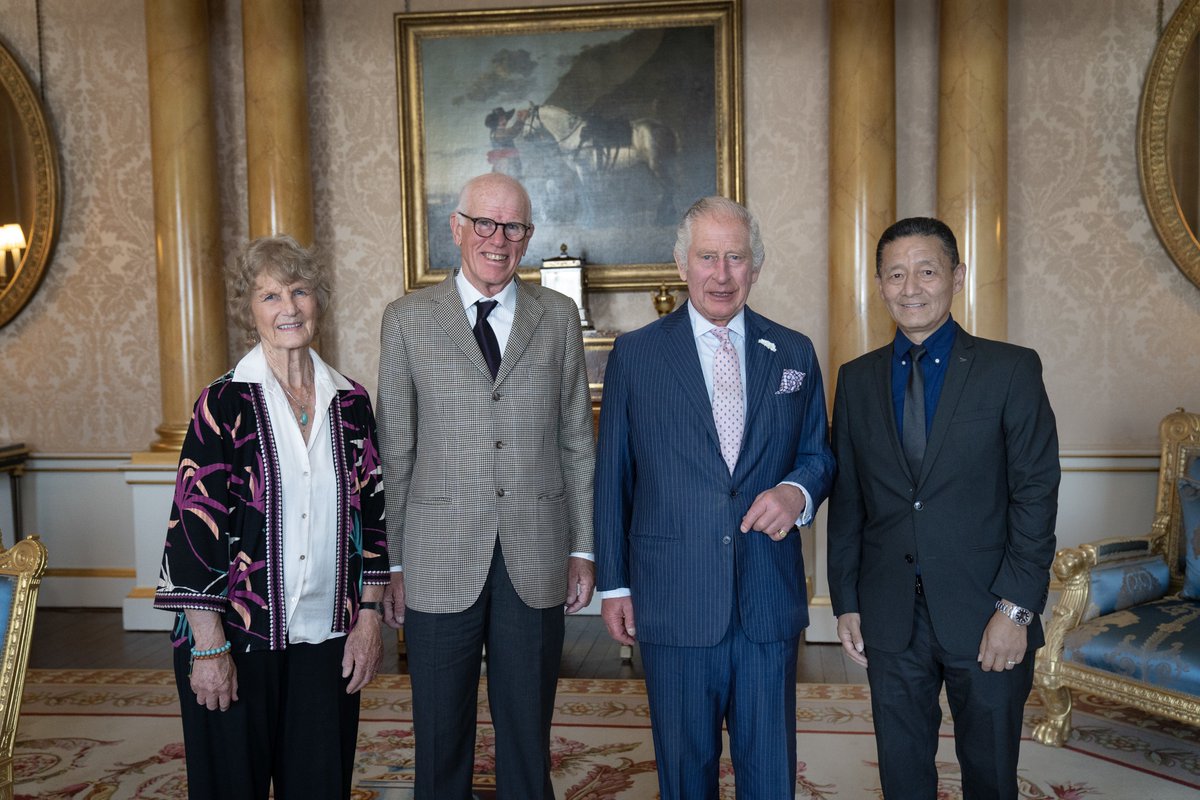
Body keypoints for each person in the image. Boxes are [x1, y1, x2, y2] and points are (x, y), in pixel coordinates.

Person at [594, 196, 836, 798]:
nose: (721, 274)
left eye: (736, 258)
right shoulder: (636, 355)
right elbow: (613, 477)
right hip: (673, 600)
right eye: (708, 257)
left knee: (770, 773)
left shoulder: (795, 353)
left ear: (755, 267)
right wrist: (615, 585)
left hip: (764, 599)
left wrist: (795, 492)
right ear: (682, 265)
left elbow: (819, 456)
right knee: (684, 772)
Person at [376, 172, 594, 799]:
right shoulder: (408, 318)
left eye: (514, 227)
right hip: (436, 552)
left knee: (528, 733)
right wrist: (389, 562)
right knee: (440, 733)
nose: (498, 240)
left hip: (536, 548)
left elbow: (576, 437)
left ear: (527, 236)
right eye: (485, 224)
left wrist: (582, 549)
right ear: (457, 227)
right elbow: (396, 447)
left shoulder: (558, 316)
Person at [827, 217, 1060, 799]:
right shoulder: (855, 380)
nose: (912, 288)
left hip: (987, 610)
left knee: (990, 774)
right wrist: (847, 599)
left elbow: (1036, 493)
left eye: (927, 271)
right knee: (902, 774)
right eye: (896, 274)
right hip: (889, 611)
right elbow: (850, 499)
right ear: (879, 284)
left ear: (956, 277)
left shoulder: (1011, 370)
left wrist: (1016, 609)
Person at [153, 234, 390, 799]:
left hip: (329, 635)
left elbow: (375, 520)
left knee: (320, 785)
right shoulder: (224, 403)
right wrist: (209, 648)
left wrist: (370, 619)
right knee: (230, 786)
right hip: (235, 636)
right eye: (270, 296)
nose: (289, 308)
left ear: (318, 300)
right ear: (249, 310)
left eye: (300, 291)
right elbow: (193, 529)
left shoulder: (351, 402)